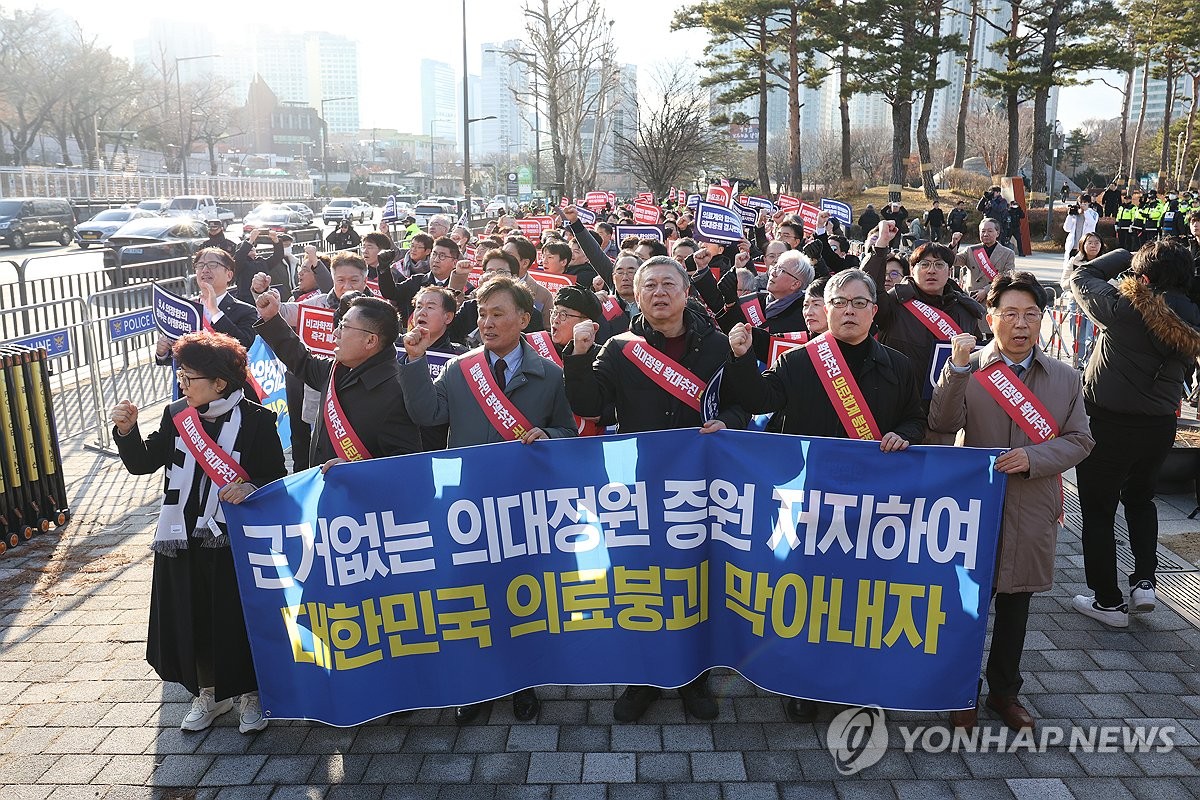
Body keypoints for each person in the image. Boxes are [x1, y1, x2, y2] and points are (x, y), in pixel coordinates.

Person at [724, 269, 925, 721]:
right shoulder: (799, 361)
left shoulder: (899, 365)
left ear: (874, 312)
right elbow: (760, 401)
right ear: (824, 310)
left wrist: (902, 434)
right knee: (808, 596)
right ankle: (803, 682)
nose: (849, 311)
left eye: (859, 303)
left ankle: (855, 680)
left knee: (861, 597)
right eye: (839, 302)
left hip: (872, 505)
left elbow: (916, 419)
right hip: (809, 501)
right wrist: (740, 357)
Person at [564, 256, 748, 723]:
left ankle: (693, 676)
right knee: (642, 578)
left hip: (701, 481)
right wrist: (580, 357)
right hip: (639, 483)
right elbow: (591, 405)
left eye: (669, 284)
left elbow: (742, 407)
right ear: (637, 295)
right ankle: (643, 676)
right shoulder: (618, 346)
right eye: (650, 286)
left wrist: (725, 421)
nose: (659, 292)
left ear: (687, 293)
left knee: (696, 576)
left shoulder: (716, 346)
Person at [399, 276, 577, 725]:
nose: (488, 321)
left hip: (522, 506)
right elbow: (429, 414)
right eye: (482, 313)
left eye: (498, 313)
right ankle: (477, 684)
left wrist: (549, 435)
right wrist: (415, 361)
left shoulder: (549, 373)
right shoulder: (460, 369)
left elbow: (567, 433)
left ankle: (523, 681)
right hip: (468, 505)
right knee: (473, 597)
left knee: (523, 596)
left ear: (523, 317)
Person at [928, 273, 1094, 732]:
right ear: (991, 317)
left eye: (1031, 315)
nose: (1021, 325)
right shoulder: (969, 365)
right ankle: (961, 690)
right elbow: (941, 422)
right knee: (966, 607)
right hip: (972, 509)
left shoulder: (1064, 377)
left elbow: (1081, 440)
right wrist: (958, 371)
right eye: (1010, 314)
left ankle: (1005, 693)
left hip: (1032, 503)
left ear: (1042, 318)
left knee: (1016, 609)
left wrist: (1034, 456)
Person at [110, 331, 286, 734]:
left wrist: (251, 486)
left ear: (220, 382)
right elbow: (143, 463)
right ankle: (207, 693)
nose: (182, 385)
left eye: (190, 378)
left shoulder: (257, 419)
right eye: (180, 377)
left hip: (233, 539)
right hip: (181, 536)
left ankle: (249, 693)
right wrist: (127, 432)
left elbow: (275, 477)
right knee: (192, 617)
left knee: (235, 616)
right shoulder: (176, 415)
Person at [1070, 240, 1200, 627]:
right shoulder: (1194, 320)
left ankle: (1108, 603)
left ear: (1142, 277)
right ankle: (1145, 582)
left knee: (1097, 510)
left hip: (1106, 423)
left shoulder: (1125, 308)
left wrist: (1123, 255)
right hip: (1160, 426)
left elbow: (1081, 276)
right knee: (1142, 500)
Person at [254, 291, 421, 469]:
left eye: (344, 327)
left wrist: (356, 470)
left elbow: (407, 465)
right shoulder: (336, 369)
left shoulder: (397, 392)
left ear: (371, 340)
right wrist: (272, 318)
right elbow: (302, 361)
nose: (335, 333)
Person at [865, 222, 986, 441]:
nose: (931, 270)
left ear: (950, 271)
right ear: (912, 270)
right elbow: (867, 290)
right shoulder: (894, 303)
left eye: (939, 265)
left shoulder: (966, 311)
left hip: (943, 416)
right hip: (895, 410)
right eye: (924, 264)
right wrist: (881, 245)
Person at [155, 248, 258, 369]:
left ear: (229, 275)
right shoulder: (187, 308)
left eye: (212, 265)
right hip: (190, 385)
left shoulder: (246, 311)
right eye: (200, 265)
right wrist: (162, 353)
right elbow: (176, 356)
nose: (205, 270)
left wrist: (215, 312)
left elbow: (244, 347)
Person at [955, 218, 1016, 302]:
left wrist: (986, 291)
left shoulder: (1008, 253)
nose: (985, 234)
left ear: (997, 233)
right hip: (971, 299)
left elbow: (1007, 277)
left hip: (994, 298)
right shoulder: (971, 250)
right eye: (983, 231)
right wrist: (954, 244)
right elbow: (953, 260)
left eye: (990, 231)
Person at [234, 229, 291, 302]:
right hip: (246, 299)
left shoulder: (261, 262)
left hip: (264, 297)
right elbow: (239, 257)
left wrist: (275, 240)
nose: (251, 247)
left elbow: (278, 256)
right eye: (248, 246)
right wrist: (251, 240)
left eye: (252, 246)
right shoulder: (240, 264)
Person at [1062, 194, 1099, 268]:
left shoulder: (1093, 214)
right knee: (1070, 268)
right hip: (1073, 246)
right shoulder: (1075, 214)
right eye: (1080, 202)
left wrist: (1086, 211)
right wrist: (1070, 215)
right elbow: (1067, 228)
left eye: (1084, 203)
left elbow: (1092, 223)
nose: (1082, 205)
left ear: (1089, 203)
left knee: (1083, 268)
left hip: (1085, 247)